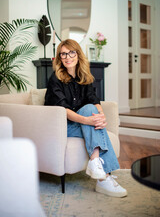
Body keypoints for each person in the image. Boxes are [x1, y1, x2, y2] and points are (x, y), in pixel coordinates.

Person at [44, 39, 127, 198]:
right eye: (63, 54)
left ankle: (97, 167)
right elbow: (64, 110)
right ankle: (104, 178)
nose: (68, 57)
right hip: (60, 126)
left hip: (78, 122)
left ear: (78, 54)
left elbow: (93, 100)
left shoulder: (85, 77)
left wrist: (101, 117)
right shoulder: (56, 78)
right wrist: (89, 121)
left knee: (91, 109)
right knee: (91, 118)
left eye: (71, 52)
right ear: (60, 58)